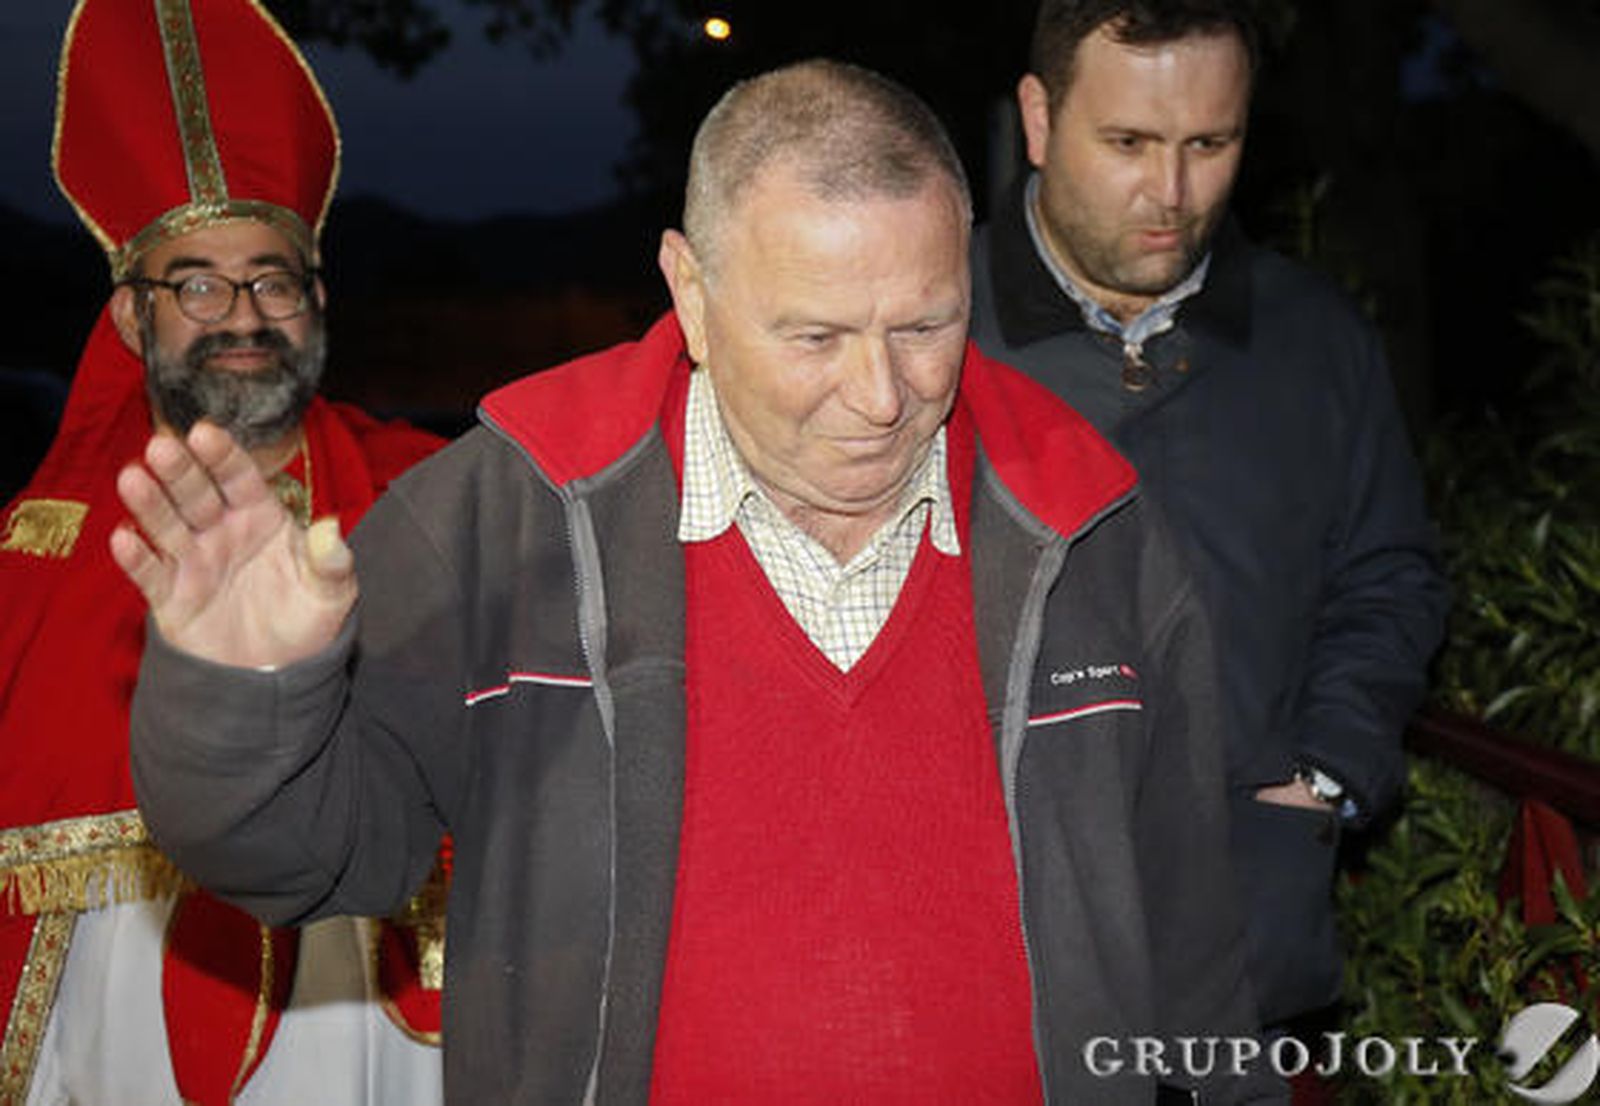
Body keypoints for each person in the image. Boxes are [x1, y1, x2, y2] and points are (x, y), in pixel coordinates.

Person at [118, 59, 1284, 1104]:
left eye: (925, 322)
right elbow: (307, 858)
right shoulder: (498, 517)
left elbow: (1191, 935)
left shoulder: (1090, 525)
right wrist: (241, 693)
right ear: (689, 290)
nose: (882, 396)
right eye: (815, 338)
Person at [969, 0, 1450, 1027]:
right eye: (1129, 142)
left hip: (1240, 955)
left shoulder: (1317, 340)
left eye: (1209, 142)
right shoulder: (921, 326)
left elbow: (1388, 576)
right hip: (974, 959)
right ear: (1040, 118)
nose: (1172, 192)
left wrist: (1321, 776)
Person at [0, 0, 447, 1101]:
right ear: (127, 319)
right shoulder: (34, 550)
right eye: (193, 281)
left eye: (272, 276)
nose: (240, 311)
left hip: (375, 986)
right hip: (126, 991)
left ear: (317, 301)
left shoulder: (433, 496)